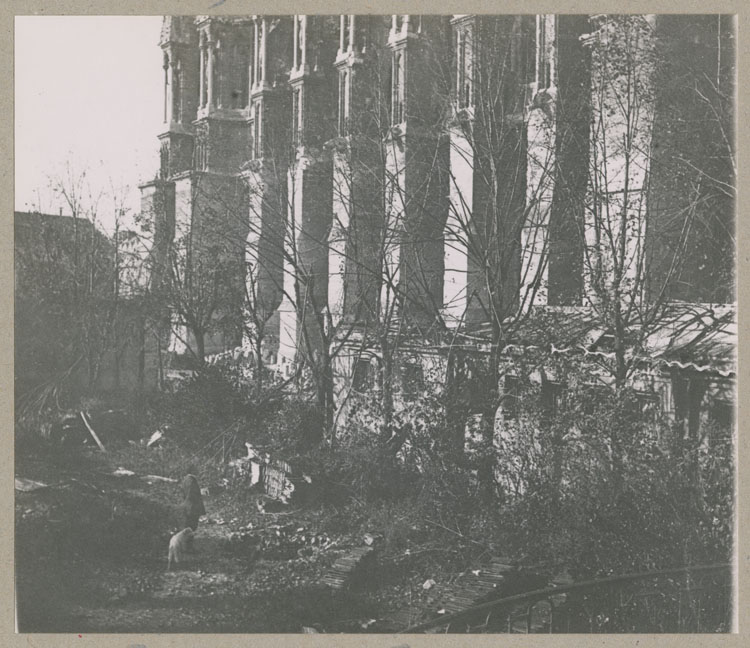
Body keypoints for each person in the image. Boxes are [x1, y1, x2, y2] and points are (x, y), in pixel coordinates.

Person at [180, 465, 206, 532]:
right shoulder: (191, 480)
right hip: (192, 506)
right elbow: (191, 494)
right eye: (195, 469)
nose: (197, 471)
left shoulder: (186, 479)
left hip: (188, 505)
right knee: (192, 524)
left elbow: (184, 493)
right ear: (192, 471)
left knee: (188, 523)